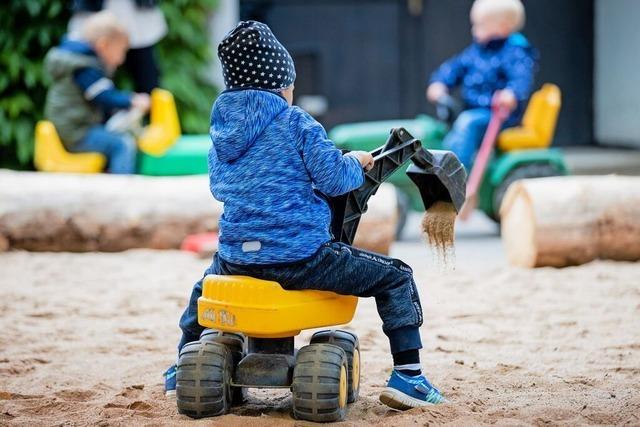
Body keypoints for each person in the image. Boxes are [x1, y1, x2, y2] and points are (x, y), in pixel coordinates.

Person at [164, 21, 446, 409]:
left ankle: (181, 365)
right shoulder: (296, 123)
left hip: (237, 259)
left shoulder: (222, 132)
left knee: (202, 293)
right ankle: (409, 377)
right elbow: (335, 181)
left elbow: (219, 187)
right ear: (281, 85)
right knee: (397, 277)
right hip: (302, 258)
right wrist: (356, 161)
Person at [426, 0, 537, 170]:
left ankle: (456, 173)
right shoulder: (477, 51)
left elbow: (521, 78)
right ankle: (441, 167)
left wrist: (511, 93)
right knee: (448, 130)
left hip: (498, 117)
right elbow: (455, 67)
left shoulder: (514, 51)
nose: (474, 30)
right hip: (472, 112)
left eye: (480, 25)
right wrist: (439, 83)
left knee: (466, 124)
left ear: (503, 27)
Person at [44, 11, 150, 174]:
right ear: (104, 45)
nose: (121, 60)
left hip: (74, 127)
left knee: (114, 131)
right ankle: (122, 187)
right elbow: (104, 96)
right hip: (76, 132)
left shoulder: (79, 61)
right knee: (122, 143)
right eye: (121, 51)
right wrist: (132, 100)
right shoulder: (85, 68)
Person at [68, 0, 167, 94]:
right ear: (103, 44)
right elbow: (99, 93)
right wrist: (128, 101)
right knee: (98, 83)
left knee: (148, 81)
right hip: (94, 13)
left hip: (138, 20)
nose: (121, 61)